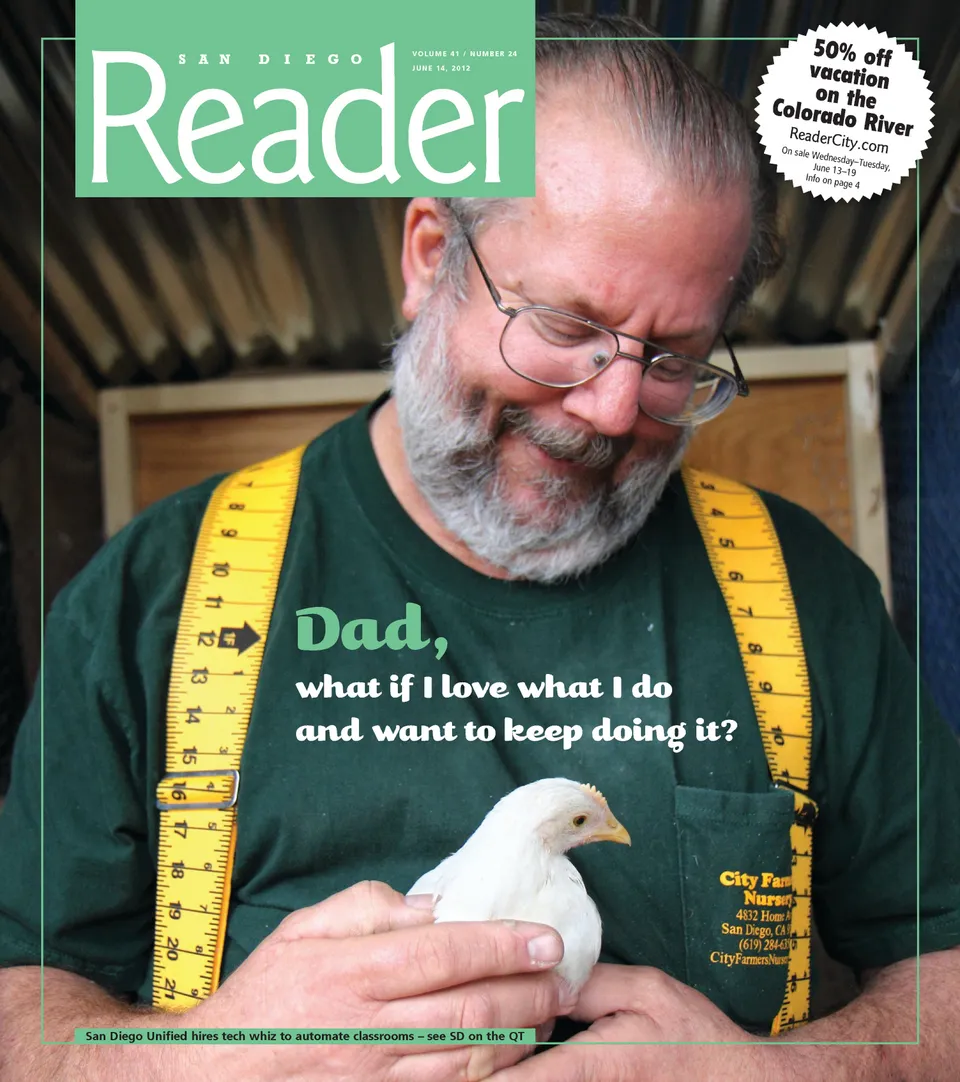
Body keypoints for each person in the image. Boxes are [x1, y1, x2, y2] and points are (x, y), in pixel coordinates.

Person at [1, 13, 959, 1082]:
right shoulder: (154, 600)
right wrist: (197, 1060)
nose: (609, 409)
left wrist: (776, 1075)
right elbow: (17, 1003)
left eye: (674, 360)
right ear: (428, 259)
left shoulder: (802, 596)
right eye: (564, 326)